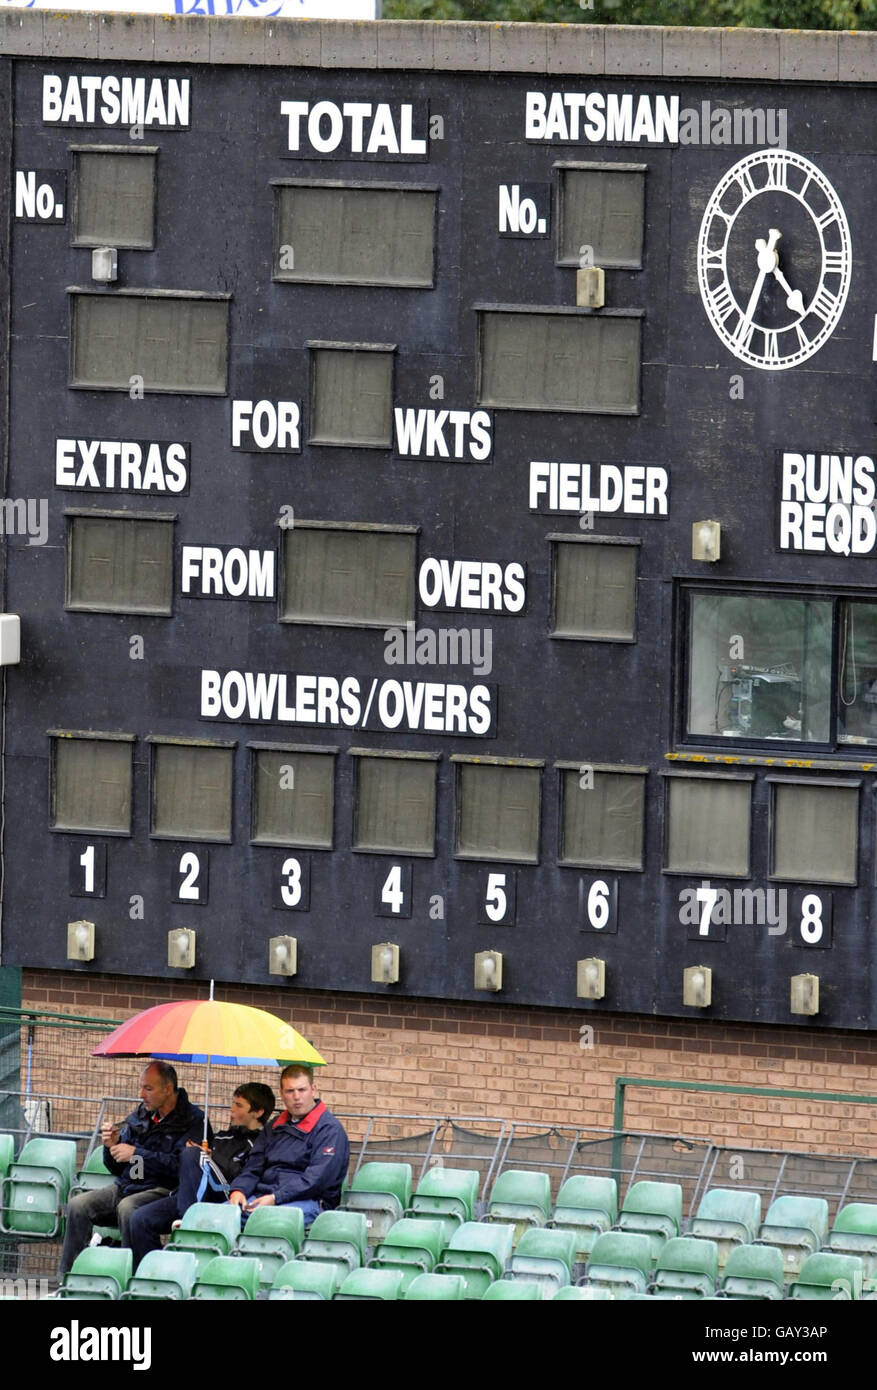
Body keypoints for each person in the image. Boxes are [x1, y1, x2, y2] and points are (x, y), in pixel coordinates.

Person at [59, 1060, 207, 1277]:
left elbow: (181, 1167)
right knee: (78, 1205)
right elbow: (118, 1169)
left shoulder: (194, 1121)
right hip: (127, 1185)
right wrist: (111, 1147)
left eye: (148, 1088)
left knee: (128, 1208)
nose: (141, 1094)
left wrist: (138, 1154)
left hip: (163, 1191)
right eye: (141, 1087)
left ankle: (131, 1279)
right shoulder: (141, 1114)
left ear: (167, 1089)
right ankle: (69, 1279)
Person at [128, 1080, 275, 1266]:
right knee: (140, 1219)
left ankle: (188, 1223)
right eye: (232, 1103)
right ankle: (155, 1273)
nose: (231, 1109)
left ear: (258, 1112)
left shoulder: (260, 1144)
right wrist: (205, 1155)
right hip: (191, 1194)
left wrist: (199, 1157)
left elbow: (245, 1176)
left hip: (224, 1196)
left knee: (191, 1153)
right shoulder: (222, 1136)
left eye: (238, 1105)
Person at [229, 1064, 349, 1226]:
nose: (296, 1097)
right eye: (290, 1091)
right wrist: (238, 1190)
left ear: (313, 1090)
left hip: (310, 1202)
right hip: (263, 1197)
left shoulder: (330, 1130)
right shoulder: (274, 1126)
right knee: (221, 1216)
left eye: (302, 1090)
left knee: (265, 1221)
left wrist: (276, 1198)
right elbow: (253, 1167)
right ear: (282, 1094)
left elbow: (316, 1180)